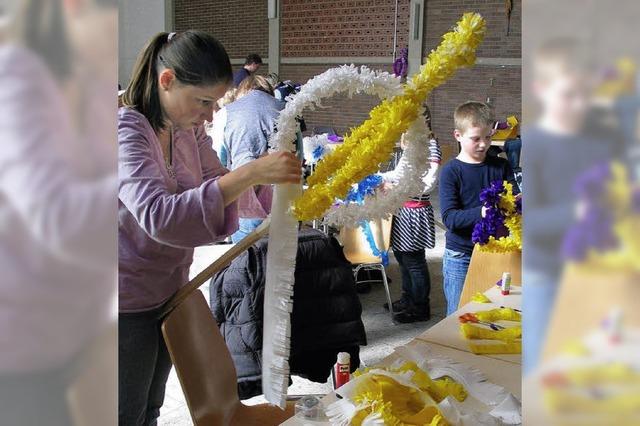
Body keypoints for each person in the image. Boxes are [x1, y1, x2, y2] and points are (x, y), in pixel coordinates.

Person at [118, 31, 300, 425]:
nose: (210, 115)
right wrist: (251, 171)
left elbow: (221, 185)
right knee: (123, 413)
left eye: (215, 104)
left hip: (170, 289)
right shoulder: (125, 131)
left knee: (149, 407)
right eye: (203, 102)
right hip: (122, 300)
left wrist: (282, 196)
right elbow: (158, 216)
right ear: (167, 81)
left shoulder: (188, 130)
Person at [0, 0, 118, 424]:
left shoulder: (88, 84)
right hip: (22, 341)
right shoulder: (18, 75)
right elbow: (56, 216)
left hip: (75, 331)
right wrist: (139, 187)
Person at [523, 38, 619, 374]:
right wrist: (576, 212)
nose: (579, 104)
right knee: (543, 362)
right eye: (569, 95)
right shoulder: (535, 143)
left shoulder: (600, 140)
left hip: (594, 270)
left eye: (586, 95)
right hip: (546, 273)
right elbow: (531, 220)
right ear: (542, 90)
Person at [439, 101, 519, 315]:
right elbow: (450, 218)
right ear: (458, 135)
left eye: (488, 137)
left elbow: (513, 201)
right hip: (461, 255)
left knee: (493, 312)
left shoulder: (501, 166)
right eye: (476, 139)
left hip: (496, 251)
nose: (483, 144)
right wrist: (482, 212)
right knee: (458, 315)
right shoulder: (450, 172)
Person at [381, 106, 442, 323]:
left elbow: (428, 183)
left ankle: (420, 307)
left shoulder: (430, 146)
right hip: (403, 209)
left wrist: (396, 186)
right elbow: (399, 173)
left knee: (414, 261)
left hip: (415, 211)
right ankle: (408, 298)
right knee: (402, 257)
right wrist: (377, 178)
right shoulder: (412, 146)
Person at [223, 74, 286, 242]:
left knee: (245, 262)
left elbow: (218, 162)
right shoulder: (286, 110)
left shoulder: (228, 112)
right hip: (283, 201)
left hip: (244, 200)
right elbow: (299, 156)